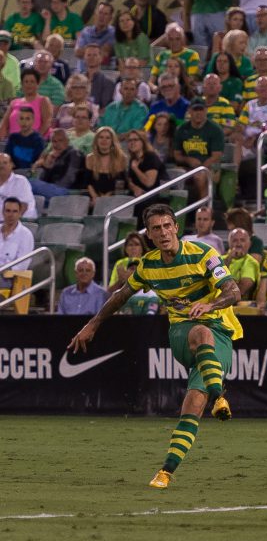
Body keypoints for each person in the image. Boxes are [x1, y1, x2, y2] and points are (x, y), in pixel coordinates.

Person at [69, 204, 241, 484]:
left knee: (193, 404)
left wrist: (211, 303)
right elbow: (122, 295)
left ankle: (166, 471)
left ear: (176, 227)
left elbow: (233, 291)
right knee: (200, 333)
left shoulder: (204, 255)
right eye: (156, 229)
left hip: (221, 331)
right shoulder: (148, 265)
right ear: (149, 235)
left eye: (166, 226)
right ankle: (219, 395)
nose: (162, 233)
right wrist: (93, 324)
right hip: (182, 331)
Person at [172, 97, 222, 202]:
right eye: (195, 110)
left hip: (209, 166)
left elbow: (216, 156)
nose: (198, 113)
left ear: (206, 110)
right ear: (190, 111)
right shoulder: (181, 129)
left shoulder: (215, 129)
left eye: (201, 110)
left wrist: (201, 167)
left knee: (201, 176)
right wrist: (188, 160)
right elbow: (177, 155)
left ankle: (203, 210)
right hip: (186, 167)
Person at [29, 129, 82, 202]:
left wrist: (51, 189)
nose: (57, 144)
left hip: (68, 192)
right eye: (54, 141)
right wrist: (46, 167)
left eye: (60, 140)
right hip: (52, 192)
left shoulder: (74, 153)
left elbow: (69, 179)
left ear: (67, 141)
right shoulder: (54, 155)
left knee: (29, 183)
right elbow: (43, 181)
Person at [222, 228, 260, 300]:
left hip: (239, 305)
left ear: (249, 244)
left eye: (242, 240)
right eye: (235, 240)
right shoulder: (220, 259)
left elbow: (241, 290)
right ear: (229, 243)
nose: (238, 244)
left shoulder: (251, 262)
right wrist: (229, 259)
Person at [0, 197, 34, 274]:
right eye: (8, 211)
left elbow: (22, 265)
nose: (11, 215)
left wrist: (5, 271)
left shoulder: (26, 235)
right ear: (3, 212)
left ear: (19, 213)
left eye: (15, 211)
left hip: (9, 277)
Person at [0, 154, 35, 219]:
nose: (1, 166)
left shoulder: (21, 181)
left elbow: (24, 206)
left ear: (12, 165)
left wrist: (8, 225)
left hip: (20, 222)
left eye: (5, 163)